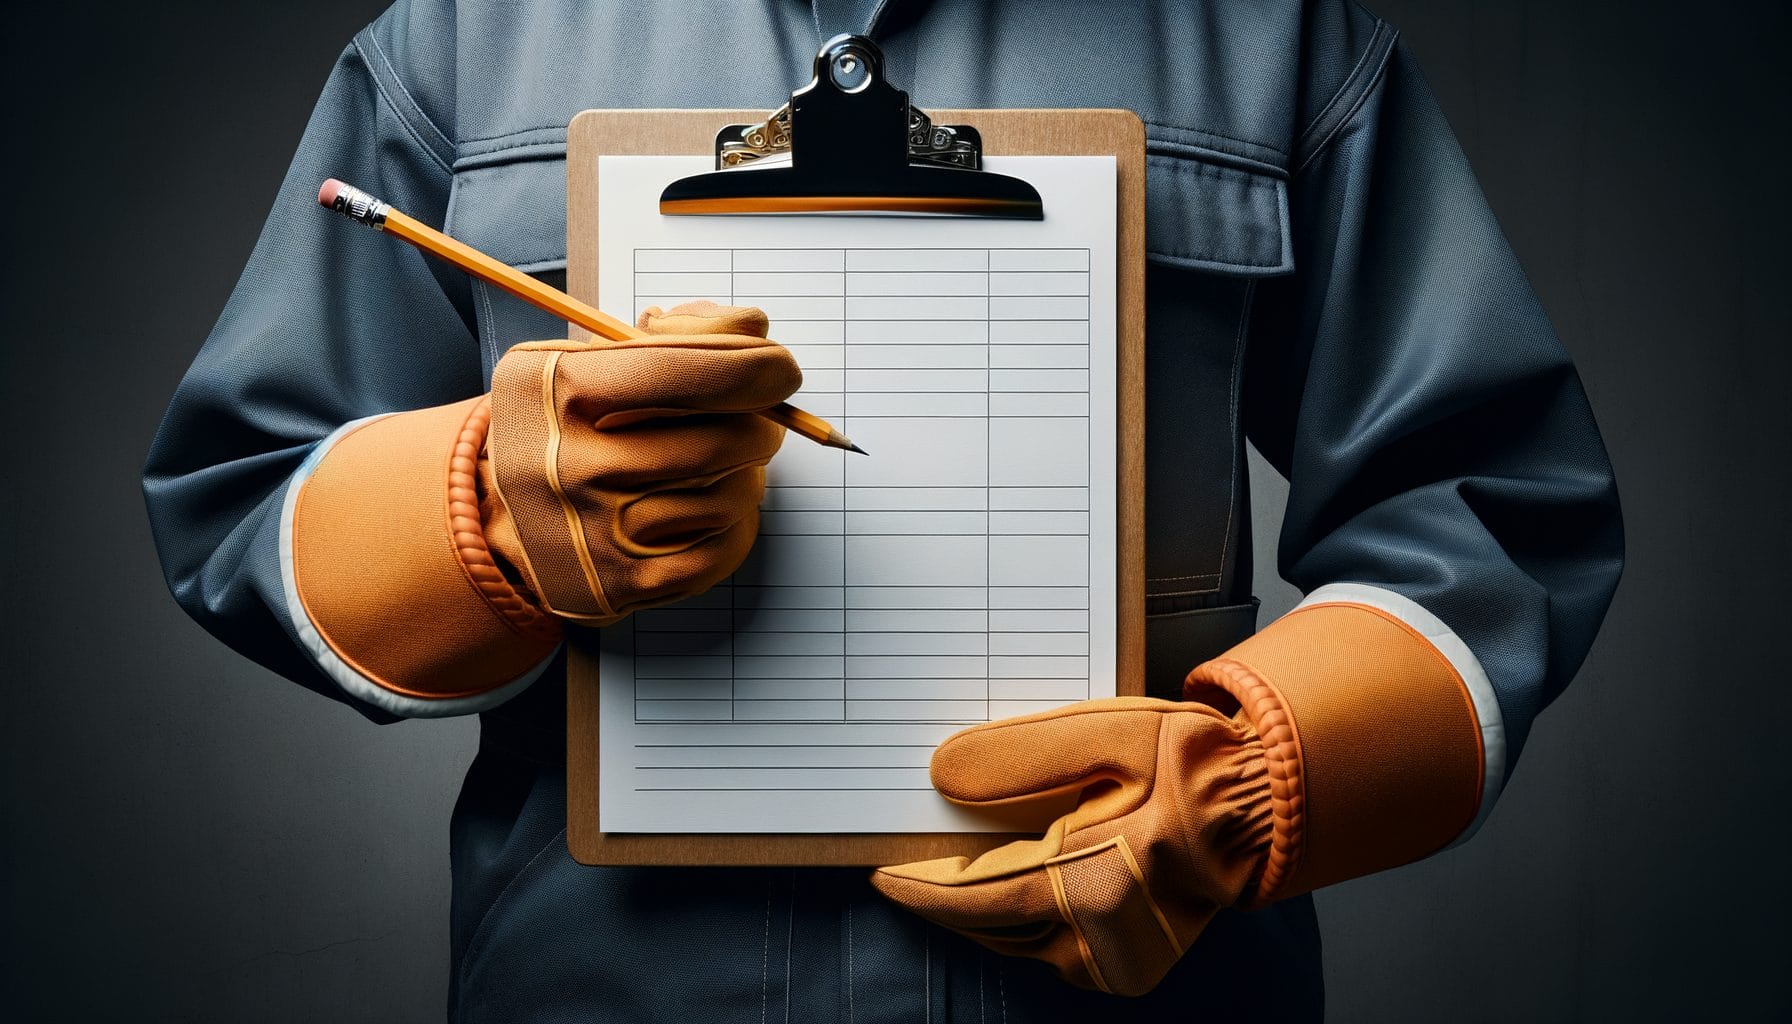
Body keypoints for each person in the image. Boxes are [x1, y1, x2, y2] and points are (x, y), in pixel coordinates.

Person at [142, 0, 1623, 1019]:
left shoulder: (1268, 26)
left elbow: (1488, 502)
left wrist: (1258, 780)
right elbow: (243, 493)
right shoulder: (467, 33)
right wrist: (477, 513)